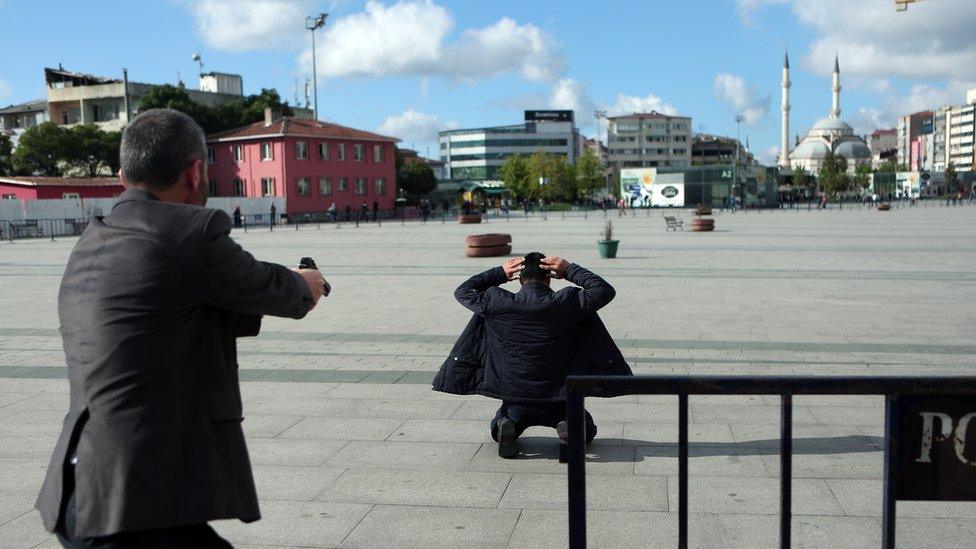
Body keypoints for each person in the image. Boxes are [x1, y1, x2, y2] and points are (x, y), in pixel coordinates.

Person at [35, 109, 329, 548]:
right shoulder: (189, 233)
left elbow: (173, 310)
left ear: (122, 175)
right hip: (132, 503)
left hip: (81, 492)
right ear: (195, 173)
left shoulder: (95, 237)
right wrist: (305, 284)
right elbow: (274, 289)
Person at [433, 252, 632, 460]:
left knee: (504, 419)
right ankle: (567, 426)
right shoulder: (568, 302)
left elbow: (463, 291)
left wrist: (499, 272)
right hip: (560, 397)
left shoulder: (497, 301)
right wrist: (569, 269)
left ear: (519, 278)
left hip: (516, 398)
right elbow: (604, 290)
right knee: (584, 425)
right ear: (549, 278)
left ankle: (507, 425)